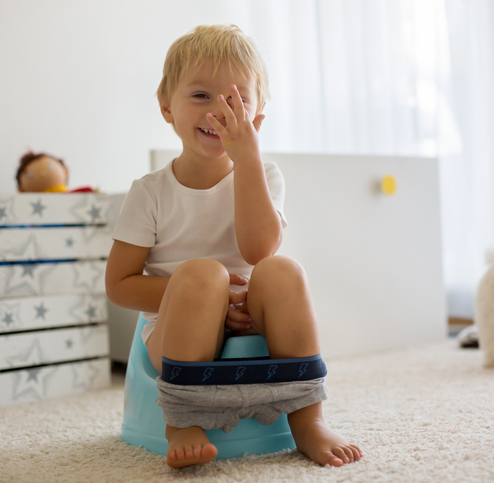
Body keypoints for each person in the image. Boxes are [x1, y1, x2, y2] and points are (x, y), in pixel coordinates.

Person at [105, 25, 363, 469]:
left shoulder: (265, 174)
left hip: (251, 317)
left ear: (258, 117)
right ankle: (182, 420)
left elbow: (259, 248)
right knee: (203, 273)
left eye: (237, 100)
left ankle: (307, 418)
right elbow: (120, 284)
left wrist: (247, 162)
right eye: (201, 96)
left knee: (284, 270)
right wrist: (205, 294)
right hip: (175, 329)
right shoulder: (149, 192)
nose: (219, 112)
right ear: (167, 107)